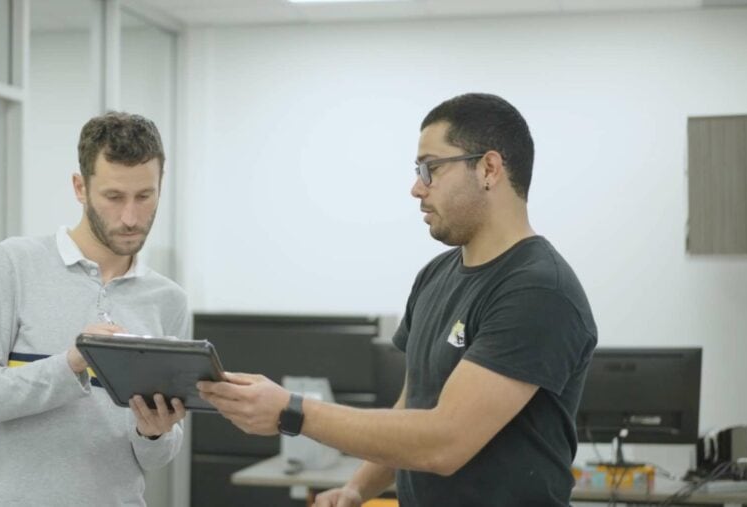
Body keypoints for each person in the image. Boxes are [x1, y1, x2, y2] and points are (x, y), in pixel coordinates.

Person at [197, 93, 597, 507]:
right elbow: (411, 409)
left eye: (431, 168)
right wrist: (357, 489)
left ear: (489, 169)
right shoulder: (435, 276)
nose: (416, 187)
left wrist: (293, 411)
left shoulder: (538, 290)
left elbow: (444, 442)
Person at [0, 112, 190, 506]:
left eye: (144, 196)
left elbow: (156, 456)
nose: (131, 217)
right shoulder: (17, 262)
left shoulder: (169, 300)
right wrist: (73, 363)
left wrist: (155, 433)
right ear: (80, 187)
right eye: (114, 197)